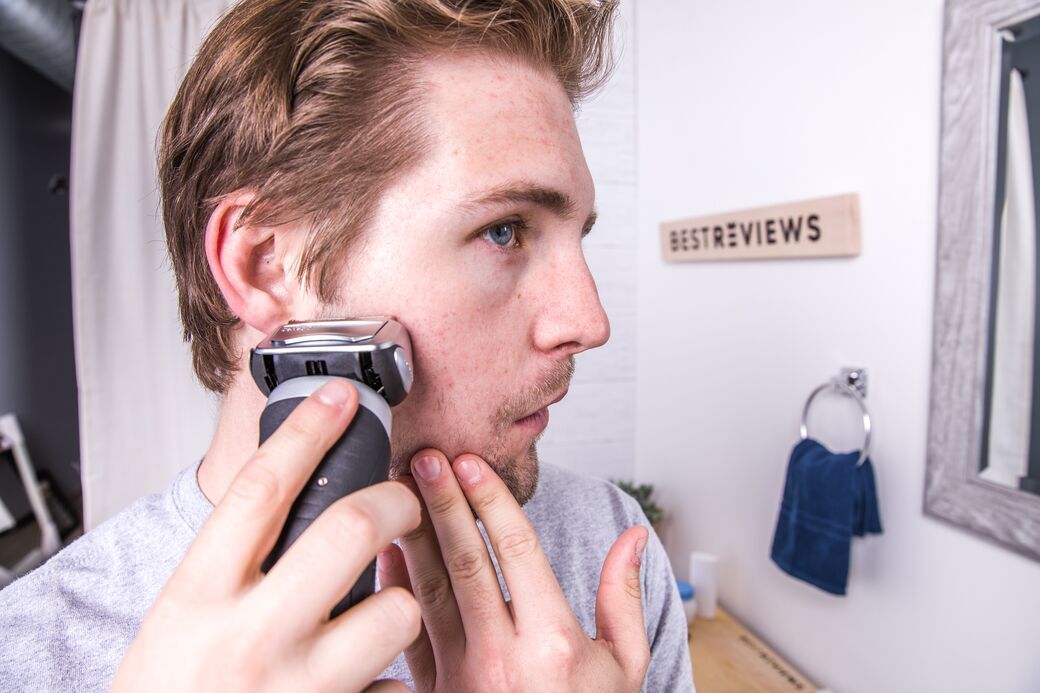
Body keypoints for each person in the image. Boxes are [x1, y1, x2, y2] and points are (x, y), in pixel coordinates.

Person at [0, 1, 693, 690]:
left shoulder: (609, 549)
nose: (589, 320)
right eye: (505, 230)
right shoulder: (30, 655)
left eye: (579, 235)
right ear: (265, 265)